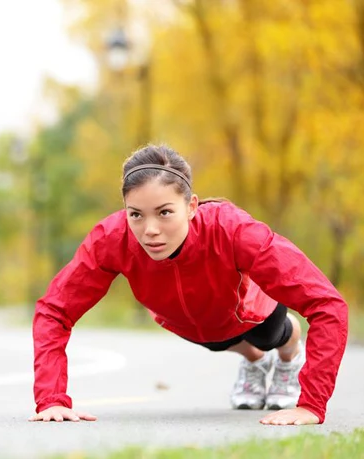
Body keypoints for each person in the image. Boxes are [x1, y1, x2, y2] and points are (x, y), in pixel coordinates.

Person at [28, 144, 348, 426]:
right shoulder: (111, 239)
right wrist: (51, 399)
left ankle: (288, 356)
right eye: (136, 214)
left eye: (165, 212)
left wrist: (311, 405)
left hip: (250, 311)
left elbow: (327, 304)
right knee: (213, 339)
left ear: (192, 206)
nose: (150, 229)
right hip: (188, 321)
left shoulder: (233, 229)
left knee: (268, 337)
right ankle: (254, 363)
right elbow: (55, 310)